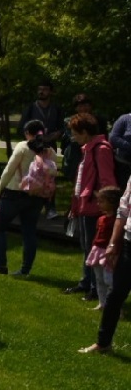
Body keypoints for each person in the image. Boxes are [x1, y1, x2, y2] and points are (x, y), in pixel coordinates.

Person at [0, 120, 58, 276]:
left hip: (15, 193)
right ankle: (25, 269)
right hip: (37, 196)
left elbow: (9, 170)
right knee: (29, 232)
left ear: (27, 133)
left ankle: (1, 265)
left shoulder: (22, 147)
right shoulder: (50, 151)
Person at [65, 113, 117, 301]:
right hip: (84, 205)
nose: (74, 137)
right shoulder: (88, 149)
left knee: (94, 247)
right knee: (86, 246)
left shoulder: (100, 149)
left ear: (85, 132)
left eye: (75, 133)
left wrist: (106, 206)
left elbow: (107, 180)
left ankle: (96, 288)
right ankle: (86, 282)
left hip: (95, 207)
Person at [80, 182, 131, 355]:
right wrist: (113, 243)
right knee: (115, 293)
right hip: (129, 242)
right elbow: (123, 210)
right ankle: (103, 343)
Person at [85, 187, 121, 310]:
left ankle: (114, 306)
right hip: (98, 251)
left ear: (112, 202)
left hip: (109, 253)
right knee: (99, 279)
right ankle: (102, 303)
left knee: (109, 280)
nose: (98, 204)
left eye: (101, 201)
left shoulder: (116, 221)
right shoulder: (101, 219)